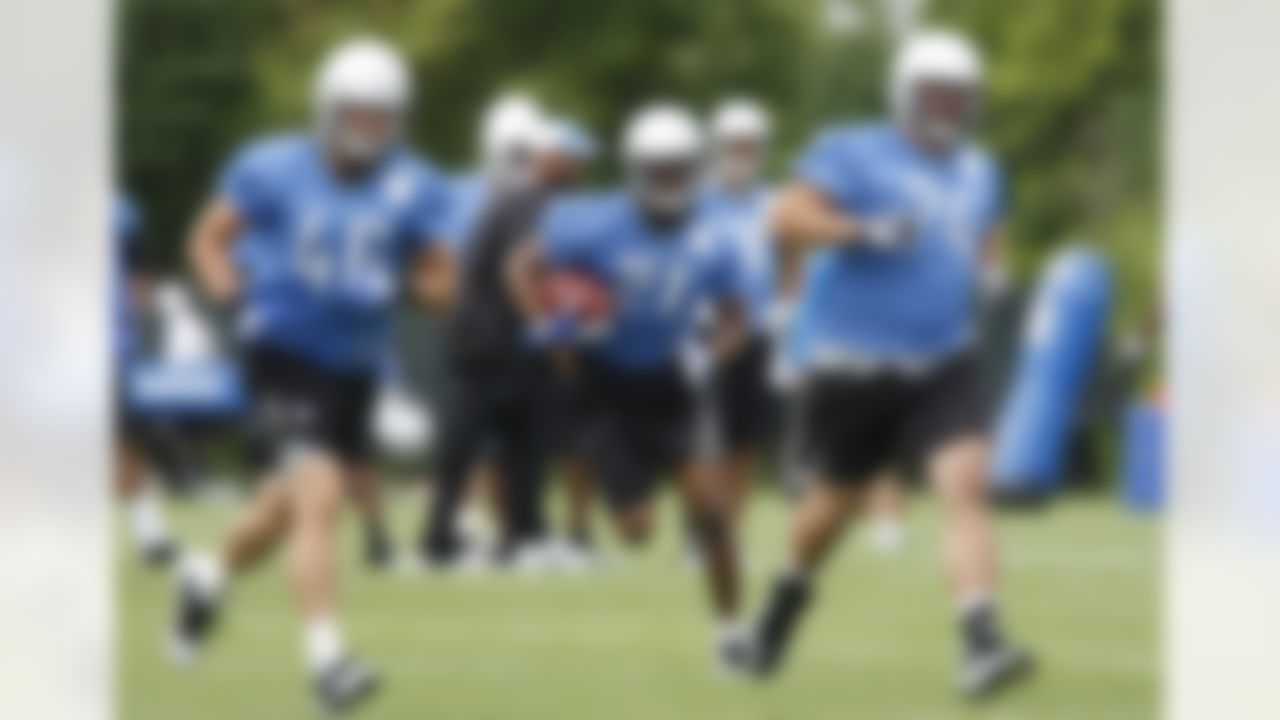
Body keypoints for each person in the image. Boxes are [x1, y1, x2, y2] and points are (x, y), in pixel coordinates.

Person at [724, 30, 1034, 698]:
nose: (950, 107)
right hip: (856, 365)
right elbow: (785, 216)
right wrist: (857, 231)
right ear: (905, 94)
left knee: (966, 486)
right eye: (937, 93)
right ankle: (778, 613)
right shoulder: (852, 150)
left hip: (944, 357)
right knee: (829, 513)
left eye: (961, 95)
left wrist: (995, 270)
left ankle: (981, 642)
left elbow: (987, 228)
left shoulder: (982, 168)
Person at [174, 37, 455, 714]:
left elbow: (443, 280)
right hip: (281, 349)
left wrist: (412, 287)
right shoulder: (271, 166)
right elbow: (209, 236)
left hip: (354, 364)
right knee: (322, 498)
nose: (368, 128)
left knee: (279, 512)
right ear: (328, 109)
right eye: (357, 113)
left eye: (381, 116)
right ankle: (329, 665)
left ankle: (206, 576)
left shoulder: (418, 184)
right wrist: (228, 289)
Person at [508, 102, 747, 657]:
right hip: (603, 386)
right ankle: (628, 492)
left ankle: (731, 634)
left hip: (668, 382)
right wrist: (546, 327)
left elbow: (736, 319)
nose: (669, 181)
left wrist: (711, 353)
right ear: (635, 169)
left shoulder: (714, 236)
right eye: (658, 168)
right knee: (637, 531)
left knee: (712, 512)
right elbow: (520, 267)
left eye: (679, 168)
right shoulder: (589, 221)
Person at [420, 114, 595, 571]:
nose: (580, 169)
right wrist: (547, 331)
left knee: (519, 444)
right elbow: (517, 272)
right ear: (548, 159)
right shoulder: (533, 200)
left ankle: (519, 537)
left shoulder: (528, 199)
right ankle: (450, 540)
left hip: (492, 337)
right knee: (475, 444)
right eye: (572, 159)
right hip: (491, 339)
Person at [703, 97, 778, 531]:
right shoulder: (697, 199)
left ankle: (730, 534)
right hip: (708, 329)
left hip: (759, 331)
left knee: (746, 442)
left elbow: (790, 262)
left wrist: (786, 312)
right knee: (707, 440)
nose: (742, 155)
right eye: (735, 146)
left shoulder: (773, 201)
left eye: (750, 146)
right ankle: (703, 535)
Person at [114, 192, 177, 568]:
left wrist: (135, 327)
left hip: (103, 345)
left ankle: (150, 534)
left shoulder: (117, 213)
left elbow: (140, 273)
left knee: (124, 439)